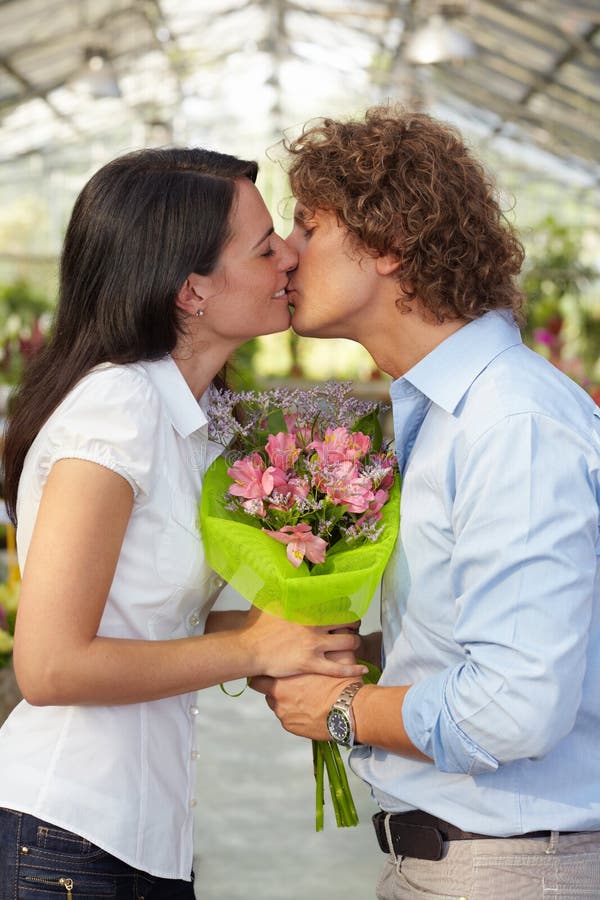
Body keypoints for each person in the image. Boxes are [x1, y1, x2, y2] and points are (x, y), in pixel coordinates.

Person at [252, 106, 600, 898]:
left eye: (308, 225)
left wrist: (342, 709)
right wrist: (373, 656)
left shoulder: (510, 424)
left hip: (509, 867)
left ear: (387, 242)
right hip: (462, 860)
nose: (287, 255)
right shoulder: (447, 412)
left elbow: (517, 708)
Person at [0, 147, 366, 899]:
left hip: (143, 838)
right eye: (266, 248)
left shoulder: (193, 419)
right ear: (191, 290)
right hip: (68, 838)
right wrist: (255, 646)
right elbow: (48, 667)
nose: (290, 258)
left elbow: (155, 630)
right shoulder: (118, 410)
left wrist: (301, 629)